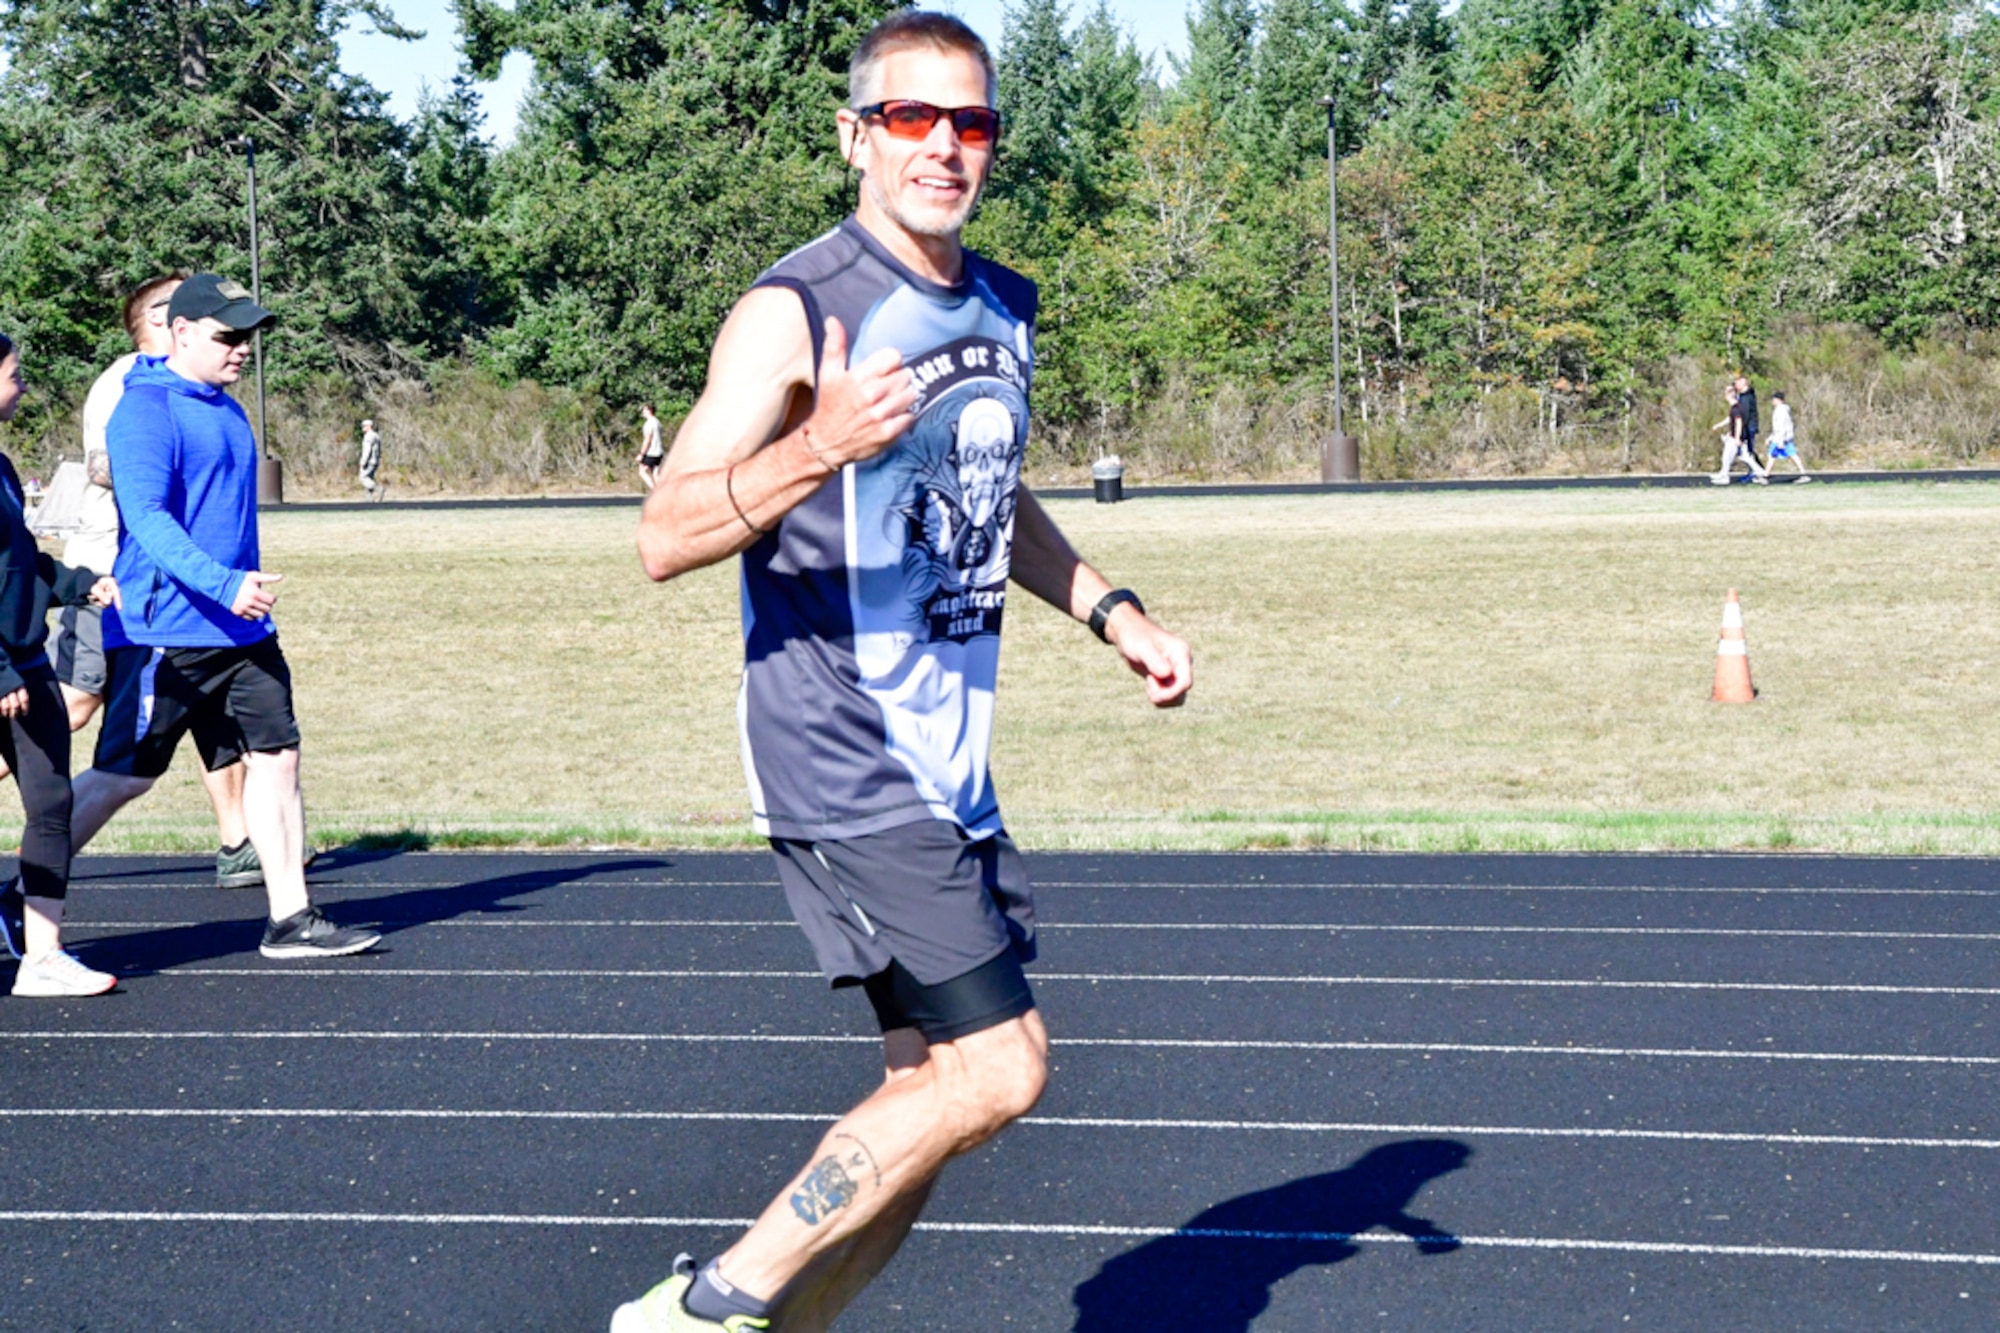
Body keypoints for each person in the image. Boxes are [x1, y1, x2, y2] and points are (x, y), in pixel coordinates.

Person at [618, 13, 1192, 1332]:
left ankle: (786, 1325)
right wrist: (817, 448)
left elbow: (991, 488)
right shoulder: (796, 310)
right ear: (855, 137)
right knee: (1003, 1069)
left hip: (950, 760)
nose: (944, 146)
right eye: (912, 120)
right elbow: (665, 535)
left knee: (929, 1102)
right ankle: (706, 1311)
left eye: (971, 122)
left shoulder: (1005, 305)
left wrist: (1110, 609)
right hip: (842, 741)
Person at [63, 273, 380, 964]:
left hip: (241, 630)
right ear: (180, 333)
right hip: (163, 631)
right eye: (228, 336)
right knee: (126, 775)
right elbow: (147, 520)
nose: (243, 350)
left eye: (249, 337)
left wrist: (240, 595)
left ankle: (290, 917)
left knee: (278, 756)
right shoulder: (144, 409)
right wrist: (223, 583)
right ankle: (25, 893)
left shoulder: (226, 407)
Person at [38, 273, 264, 891]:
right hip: (112, 578)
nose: (232, 333)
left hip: (199, 599)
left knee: (229, 733)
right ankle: (37, 871)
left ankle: (238, 841)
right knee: (78, 711)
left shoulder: (207, 392)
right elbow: (123, 482)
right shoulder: (130, 387)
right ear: (166, 323)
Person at [0, 330, 124, 996]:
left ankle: (40, 954)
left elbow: (20, 562)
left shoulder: (0, 465)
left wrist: (78, 583)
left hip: (26, 659)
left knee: (50, 800)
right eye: (14, 374)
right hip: (7, 671)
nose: (23, 384)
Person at [1710, 386, 1768, 485]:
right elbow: (1730, 419)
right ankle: (1760, 472)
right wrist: (1719, 425)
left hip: (1735, 438)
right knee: (1745, 457)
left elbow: (1738, 423)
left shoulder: (1736, 408)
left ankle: (1724, 477)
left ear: (1729, 395)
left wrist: (1736, 437)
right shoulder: (1735, 407)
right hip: (1737, 436)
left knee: (1726, 457)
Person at [1768, 391, 1809, 481]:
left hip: (1782, 439)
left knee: (1791, 455)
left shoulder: (1781, 411)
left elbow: (1782, 426)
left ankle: (1803, 474)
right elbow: (1776, 428)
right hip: (1779, 438)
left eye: (1774, 399)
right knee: (1773, 456)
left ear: (1779, 400)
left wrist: (1781, 440)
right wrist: (1770, 437)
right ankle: (1766, 474)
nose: (1772, 401)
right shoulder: (1779, 410)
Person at [1733, 374, 1762, 468]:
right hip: (1748, 426)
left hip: (1749, 426)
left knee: (1748, 451)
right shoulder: (1742, 396)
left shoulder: (1746, 397)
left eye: (1737, 383)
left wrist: (1741, 428)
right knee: (1748, 451)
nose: (1735, 385)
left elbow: (1745, 414)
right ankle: (1756, 470)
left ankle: (1758, 471)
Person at [636, 404, 665, 490]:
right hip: (659, 452)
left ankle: (655, 490)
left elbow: (648, 439)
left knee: (642, 471)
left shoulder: (649, 423)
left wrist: (641, 454)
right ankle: (661, 491)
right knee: (655, 473)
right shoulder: (658, 422)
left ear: (649, 410)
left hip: (651, 452)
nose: (643, 412)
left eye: (644, 410)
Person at [359, 417, 383, 498]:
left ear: (369, 426)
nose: (363, 427)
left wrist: (363, 461)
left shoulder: (368, 436)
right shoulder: (376, 436)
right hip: (375, 461)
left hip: (369, 461)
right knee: (369, 478)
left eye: (364, 426)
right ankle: (369, 498)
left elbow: (367, 450)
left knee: (363, 478)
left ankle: (378, 489)